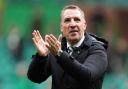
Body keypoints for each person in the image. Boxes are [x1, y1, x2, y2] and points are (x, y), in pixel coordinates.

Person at [27, 4, 108, 89]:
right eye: (67, 20)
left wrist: (60, 54)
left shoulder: (98, 50)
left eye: (77, 20)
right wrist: (41, 57)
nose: (72, 24)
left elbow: (87, 76)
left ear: (84, 25)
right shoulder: (57, 48)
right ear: (61, 28)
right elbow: (35, 78)